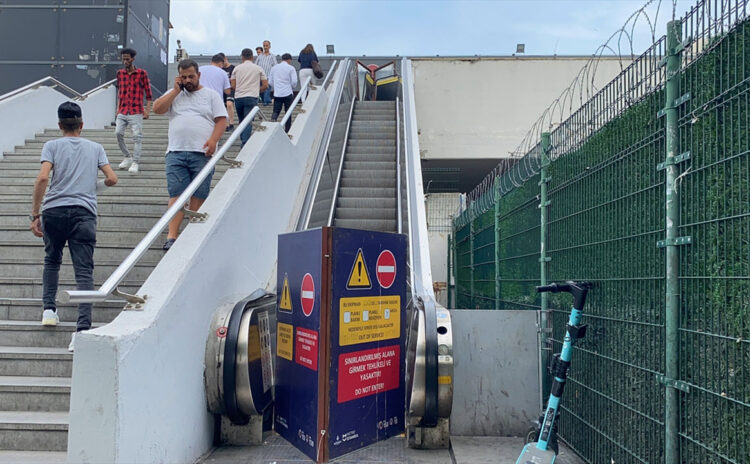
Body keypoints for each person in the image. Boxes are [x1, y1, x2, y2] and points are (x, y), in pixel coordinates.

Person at [31, 102, 118, 352]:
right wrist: (92, 187)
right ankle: (81, 329)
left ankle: (49, 310)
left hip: (54, 211)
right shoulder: (96, 148)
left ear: (60, 125)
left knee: (52, 260)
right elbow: (112, 178)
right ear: (81, 124)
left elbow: (43, 177)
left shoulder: (52, 146)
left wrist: (35, 214)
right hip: (84, 213)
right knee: (83, 271)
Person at [152, 59, 228, 251]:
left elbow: (221, 120)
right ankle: (172, 236)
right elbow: (157, 109)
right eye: (184, 77)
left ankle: (192, 236)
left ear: (199, 75)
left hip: (201, 153)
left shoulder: (210, 95)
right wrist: (176, 90)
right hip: (176, 152)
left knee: (199, 194)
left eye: (191, 76)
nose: (188, 80)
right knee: (176, 194)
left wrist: (213, 140)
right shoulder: (174, 95)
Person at [115, 48, 152, 174]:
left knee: (137, 137)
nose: (125, 61)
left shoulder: (142, 73)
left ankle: (135, 162)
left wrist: (147, 110)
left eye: (127, 58)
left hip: (136, 110)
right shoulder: (120, 74)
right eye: (123, 58)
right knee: (118, 133)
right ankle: (127, 157)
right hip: (123, 109)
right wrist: (118, 108)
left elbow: (148, 93)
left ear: (133, 59)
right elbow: (120, 92)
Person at [230, 48, 268, 146]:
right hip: (252, 96)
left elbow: (233, 85)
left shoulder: (236, 68)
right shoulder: (258, 68)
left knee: (241, 120)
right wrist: (257, 90)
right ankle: (245, 142)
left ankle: (243, 138)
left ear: (242, 57)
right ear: (252, 57)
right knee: (248, 121)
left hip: (239, 97)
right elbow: (265, 85)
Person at [268, 53, 298, 133]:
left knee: (276, 111)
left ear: (282, 59)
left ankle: (273, 122)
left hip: (277, 93)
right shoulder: (291, 68)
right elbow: (294, 82)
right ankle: (287, 130)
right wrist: (291, 87)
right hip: (288, 93)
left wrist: (276, 87)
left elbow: (270, 81)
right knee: (288, 112)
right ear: (289, 60)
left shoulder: (274, 68)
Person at [255, 40, 278, 106]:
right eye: (264, 46)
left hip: (268, 76)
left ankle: (266, 102)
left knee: (267, 90)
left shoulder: (272, 56)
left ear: (269, 46)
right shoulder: (260, 56)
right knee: (261, 91)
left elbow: (275, 66)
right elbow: (255, 65)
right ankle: (267, 101)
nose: (265, 47)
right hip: (260, 77)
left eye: (266, 46)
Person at [219, 53, 236, 132]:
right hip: (222, 89)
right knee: (222, 106)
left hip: (230, 89)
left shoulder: (233, 68)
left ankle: (231, 123)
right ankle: (226, 124)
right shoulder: (220, 69)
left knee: (229, 104)